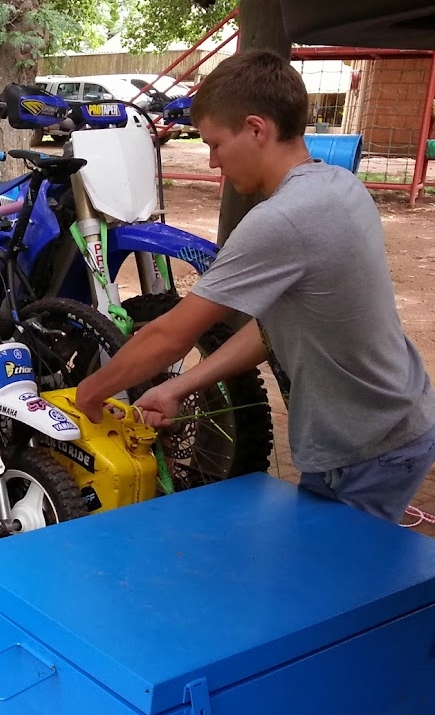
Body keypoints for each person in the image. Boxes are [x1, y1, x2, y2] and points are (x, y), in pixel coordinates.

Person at [74, 49, 435, 523]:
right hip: (394, 418)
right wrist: (179, 386)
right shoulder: (338, 185)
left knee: (330, 567)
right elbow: (274, 329)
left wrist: (89, 394)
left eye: (216, 144)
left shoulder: (283, 219)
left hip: (366, 450)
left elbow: (170, 336)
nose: (212, 162)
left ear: (256, 129)